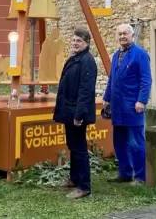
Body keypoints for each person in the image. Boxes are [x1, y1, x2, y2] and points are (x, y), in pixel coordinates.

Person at [102, 23, 152, 184]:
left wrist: (141, 100)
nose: (122, 36)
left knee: (136, 143)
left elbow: (146, 79)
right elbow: (112, 79)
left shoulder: (140, 54)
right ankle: (124, 173)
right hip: (118, 107)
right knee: (119, 142)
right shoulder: (117, 55)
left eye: (125, 33)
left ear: (132, 35)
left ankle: (140, 176)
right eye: (120, 34)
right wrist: (106, 98)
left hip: (133, 107)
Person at [53, 28, 97, 199]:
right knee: (72, 146)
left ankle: (84, 186)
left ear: (86, 43)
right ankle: (74, 178)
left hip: (77, 114)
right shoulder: (74, 59)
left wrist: (79, 115)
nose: (75, 43)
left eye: (79, 41)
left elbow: (85, 91)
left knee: (79, 149)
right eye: (73, 40)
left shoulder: (86, 61)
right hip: (69, 111)